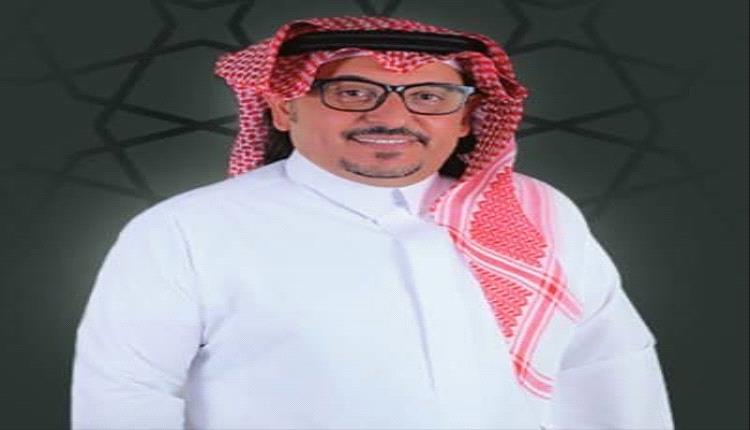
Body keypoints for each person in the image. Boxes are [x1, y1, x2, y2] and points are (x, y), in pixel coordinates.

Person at [71, 16, 674, 429]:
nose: (392, 116)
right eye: (354, 94)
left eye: (430, 97)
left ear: (466, 118)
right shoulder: (187, 231)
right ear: (283, 107)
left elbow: (607, 367)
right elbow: (127, 393)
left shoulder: (538, 210)